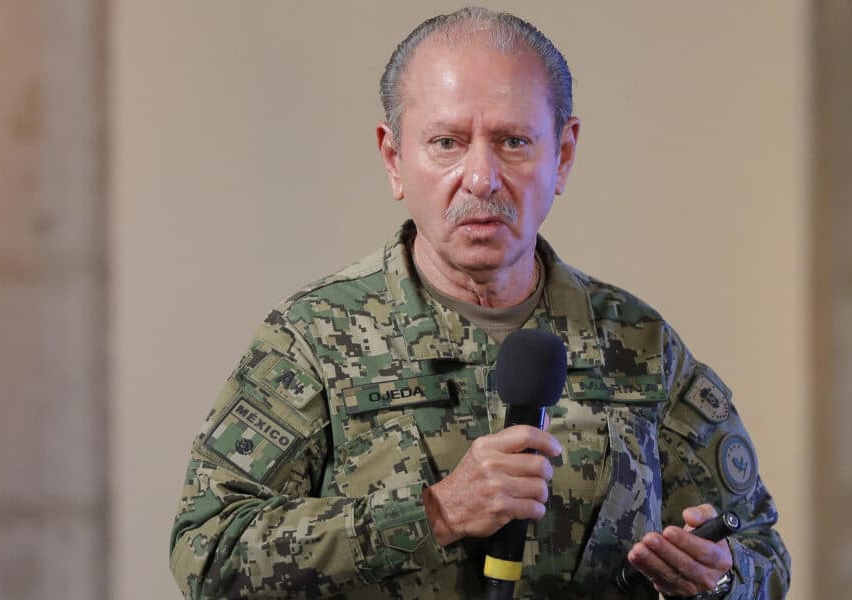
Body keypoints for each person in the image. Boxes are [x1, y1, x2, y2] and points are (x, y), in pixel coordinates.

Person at [169, 7, 791, 599]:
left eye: (514, 141)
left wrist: (719, 580)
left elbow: (760, 550)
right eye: (446, 142)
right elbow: (207, 556)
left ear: (563, 154)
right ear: (394, 158)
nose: (481, 177)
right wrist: (433, 513)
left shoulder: (637, 344)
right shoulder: (314, 338)